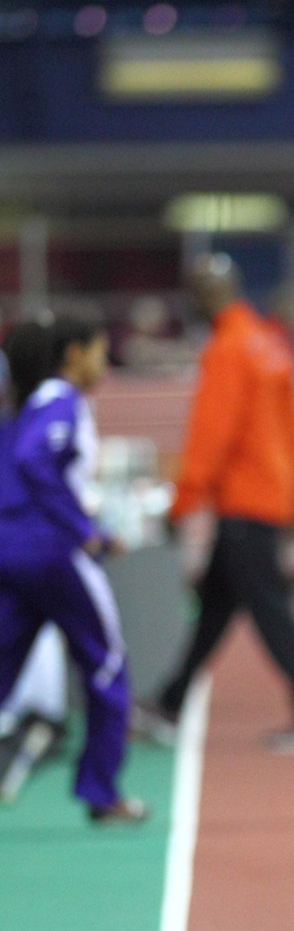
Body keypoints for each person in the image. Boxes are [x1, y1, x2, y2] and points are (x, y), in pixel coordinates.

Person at [145, 255, 294, 753]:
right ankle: (170, 703)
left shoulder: (228, 350)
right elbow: (291, 431)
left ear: (202, 297)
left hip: (245, 504)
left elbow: (211, 436)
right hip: (268, 499)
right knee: (215, 604)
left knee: (270, 609)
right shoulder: (267, 345)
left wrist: (182, 503)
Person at [0, 316, 146, 823]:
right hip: (53, 557)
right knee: (106, 666)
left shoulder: (18, 408)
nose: (104, 365)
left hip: (9, 554)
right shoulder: (63, 403)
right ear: (73, 355)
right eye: (101, 353)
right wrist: (85, 531)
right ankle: (101, 793)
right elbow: (33, 459)